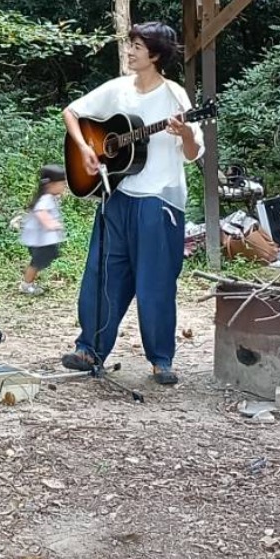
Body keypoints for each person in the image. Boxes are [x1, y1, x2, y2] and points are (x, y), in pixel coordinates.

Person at [58, 22, 200, 387]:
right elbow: (71, 113)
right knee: (102, 274)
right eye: (131, 44)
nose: (130, 51)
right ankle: (89, 349)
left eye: (137, 46)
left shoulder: (175, 96)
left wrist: (185, 132)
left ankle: (161, 360)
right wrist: (86, 149)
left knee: (155, 282)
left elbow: (193, 152)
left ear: (156, 55)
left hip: (158, 200)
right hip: (116, 194)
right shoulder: (117, 89)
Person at [18, 164, 68, 296]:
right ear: (50, 185)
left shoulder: (49, 196)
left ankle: (29, 283)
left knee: (44, 258)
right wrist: (50, 224)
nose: (64, 187)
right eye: (62, 184)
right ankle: (26, 285)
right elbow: (40, 212)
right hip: (39, 241)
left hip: (43, 240)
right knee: (37, 262)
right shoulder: (45, 199)